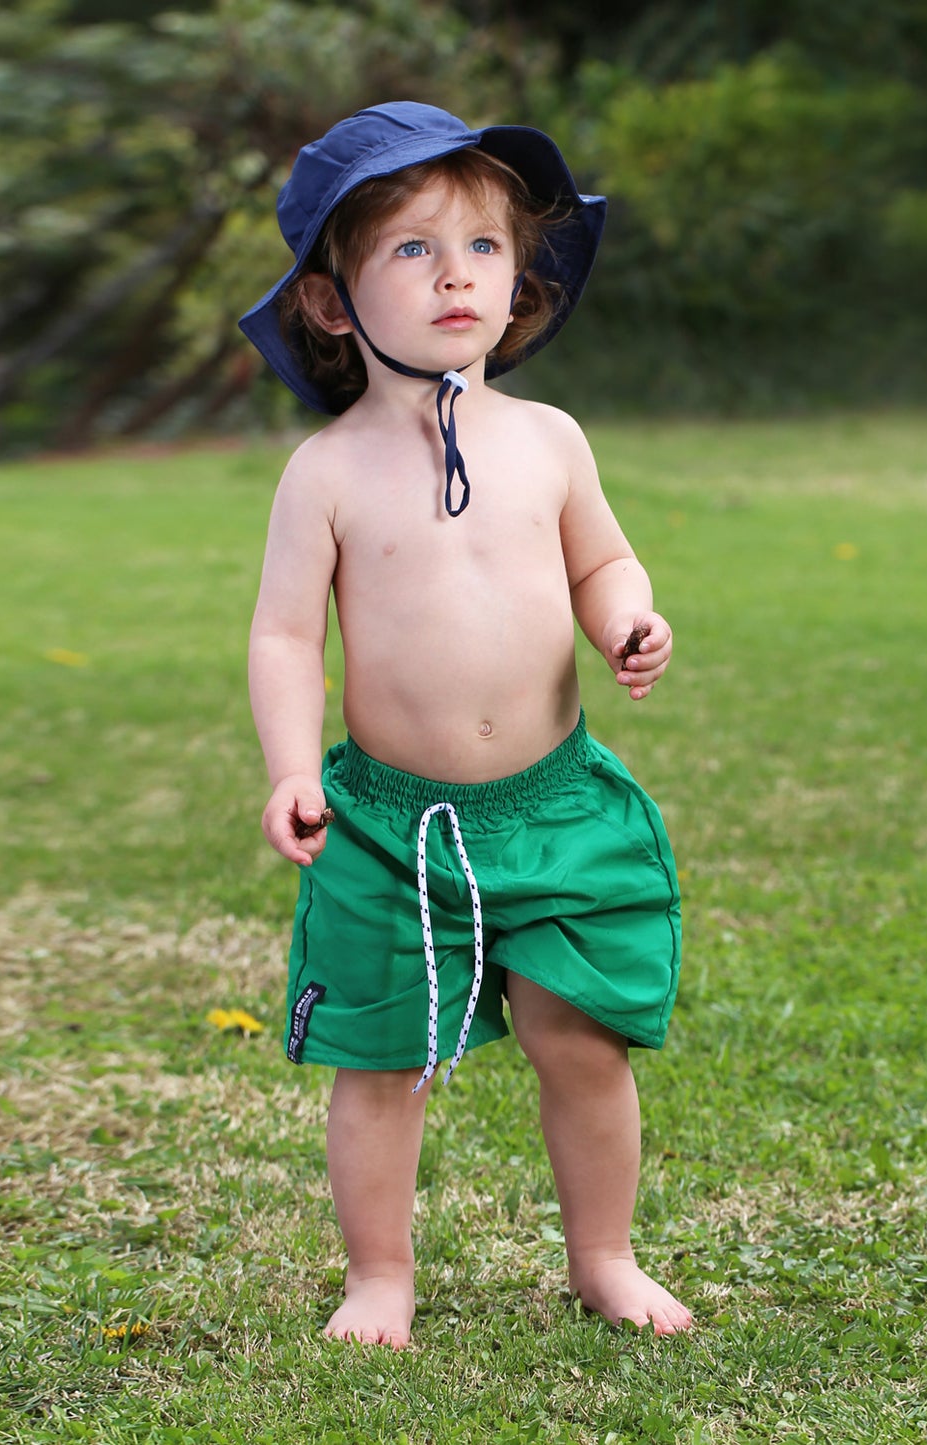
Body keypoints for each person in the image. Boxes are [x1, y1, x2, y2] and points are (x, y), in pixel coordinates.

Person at [241, 101, 690, 1348]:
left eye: (484, 249)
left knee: (580, 1037)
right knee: (379, 1060)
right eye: (411, 250)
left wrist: (628, 619)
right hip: (391, 821)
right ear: (332, 303)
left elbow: (602, 561)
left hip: (551, 803)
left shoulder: (548, 441)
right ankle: (379, 1274)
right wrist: (291, 769)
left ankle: (602, 1253)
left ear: (517, 282)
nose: (456, 275)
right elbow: (284, 635)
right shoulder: (324, 472)